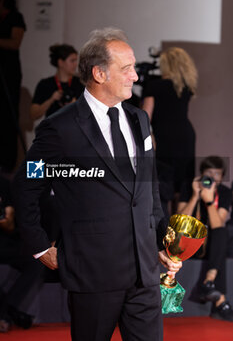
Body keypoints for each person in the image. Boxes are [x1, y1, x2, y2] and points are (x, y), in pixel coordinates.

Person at [13, 28, 182, 341]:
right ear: (99, 73)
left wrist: (160, 240)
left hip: (144, 274)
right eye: (127, 68)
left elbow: (149, 188)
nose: (135, 75)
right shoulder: (59, 128)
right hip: (92, 272)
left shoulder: (139, 119)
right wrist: (38, 246)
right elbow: (27, 185)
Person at [178, 156, 233, 321]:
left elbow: (218, 224)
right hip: (189, 242)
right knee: (221, 245)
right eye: (209, 173)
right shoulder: (189, 188)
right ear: (201, 175)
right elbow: (180, 223)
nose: (213, 178)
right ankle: (218, 300)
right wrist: (195, 196)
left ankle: (208, 282)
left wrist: (209, 202)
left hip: (211, 245)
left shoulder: (224, 192)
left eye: (217, 174)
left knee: (222, 233)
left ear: (222, 177)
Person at [142, 47, 198, 199]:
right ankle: (179, 220)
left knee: (164, 182)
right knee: (182, 185)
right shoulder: (186, 87)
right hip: (185, 135)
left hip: (163, 136)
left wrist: (150, 135)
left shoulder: (155, 86)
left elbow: (145, 117)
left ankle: (164, 220)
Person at [0, 174, 44, 332]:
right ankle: (7, 312)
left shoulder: (3, 183)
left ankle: (6, 311)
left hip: (5, 242)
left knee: (36, 261)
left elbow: (9, 224)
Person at [0, 0, 26, 172]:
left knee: (8, 115)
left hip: (8, 72)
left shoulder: (16, 17)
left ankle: (8, 162)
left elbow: (15, 43)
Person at [30, 44, 84, 120]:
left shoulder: (80, 83)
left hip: (74, 129)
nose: (75, 64)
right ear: (60, 63)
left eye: (76, 60)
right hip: (52, 129)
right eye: (72, 61)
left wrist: (75, 105)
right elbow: (33, 115)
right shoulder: (45, 84)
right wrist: (51, 100)